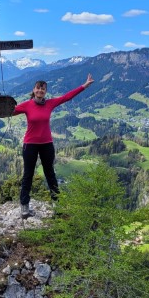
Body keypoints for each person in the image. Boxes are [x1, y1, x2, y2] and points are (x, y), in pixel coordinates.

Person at [13, 74, 94, 219]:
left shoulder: (50, 103)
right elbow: (9, 111)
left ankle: (58, 205)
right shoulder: (26, 105)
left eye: (43, 89)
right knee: (28, 175)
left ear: (45, 91)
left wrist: (84, 86)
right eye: (38, 88)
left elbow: (67, 97)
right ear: (34, 90)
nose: (40, 91)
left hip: (46, 144)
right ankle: (24, 207)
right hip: (30, 144)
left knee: (50, 174)